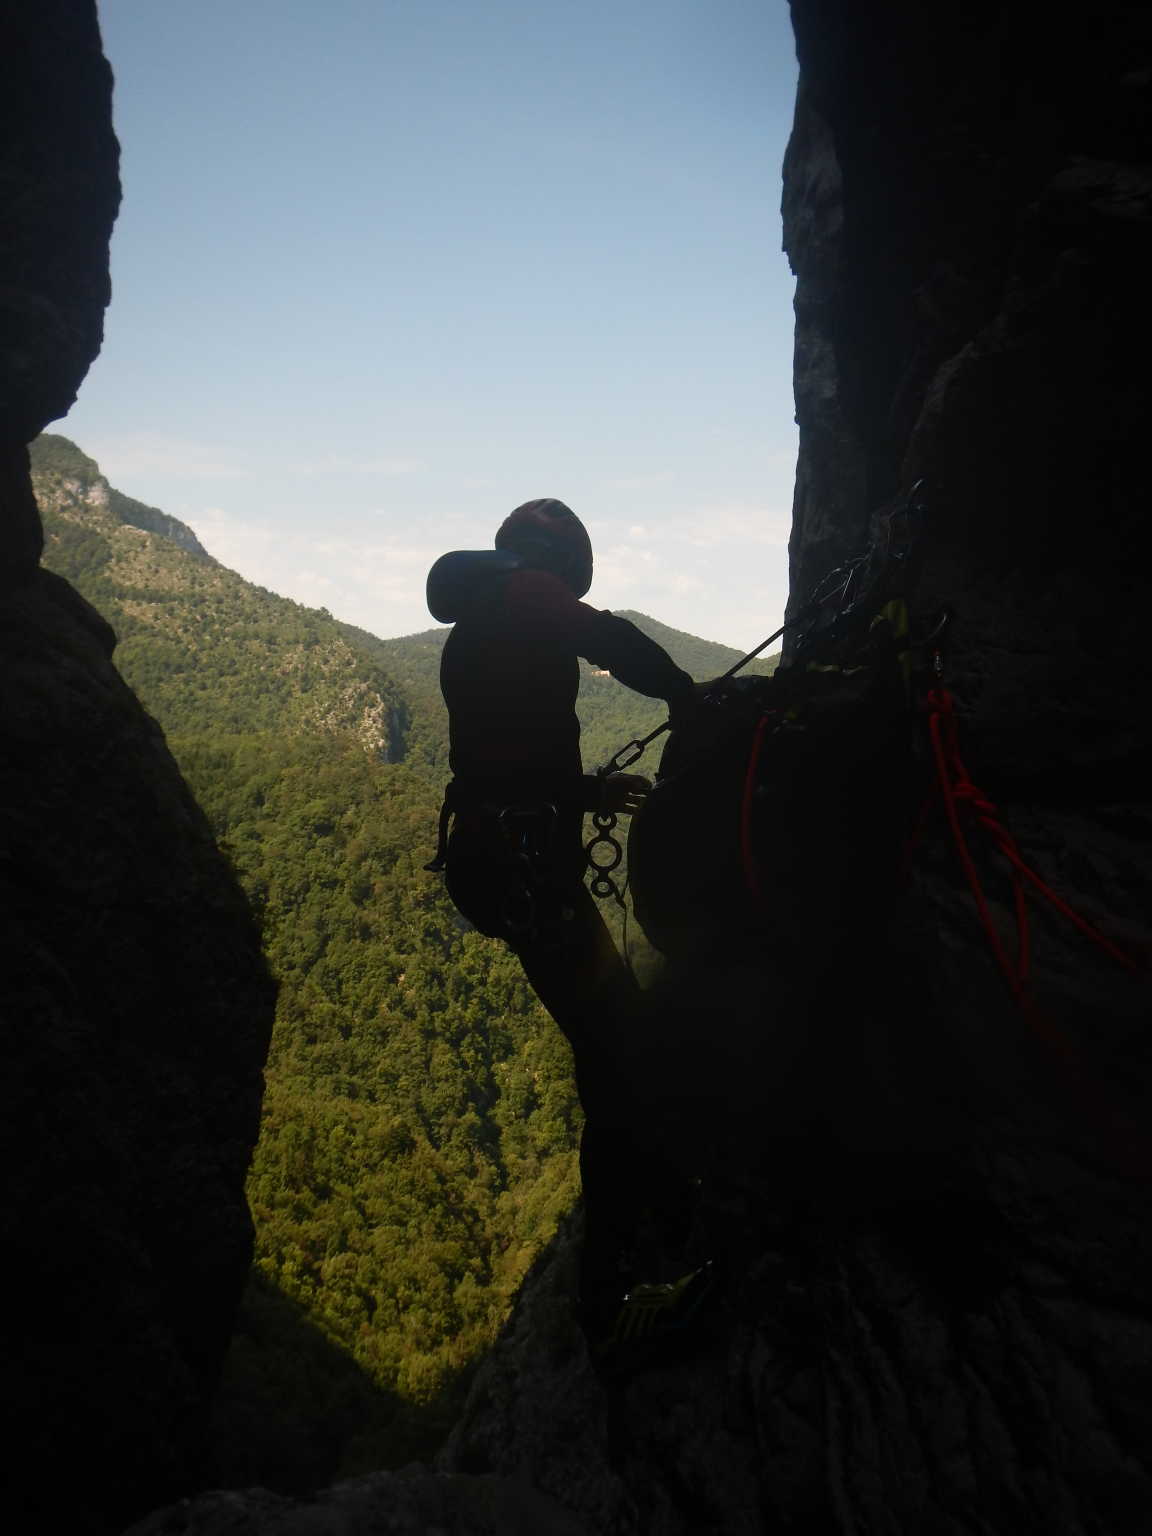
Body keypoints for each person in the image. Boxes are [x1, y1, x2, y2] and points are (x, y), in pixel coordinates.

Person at [427, 498, 702, 1330]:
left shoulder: (483, 615)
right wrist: (689, 695)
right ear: (552, 560)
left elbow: (503, 752)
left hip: (502, 860)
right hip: (524, 874)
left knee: (614, 1039)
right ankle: (617, 1286)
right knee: (623, 1055)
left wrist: (588, 791)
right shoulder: (524, 596)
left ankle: (634, 1238)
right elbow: (611, 641)